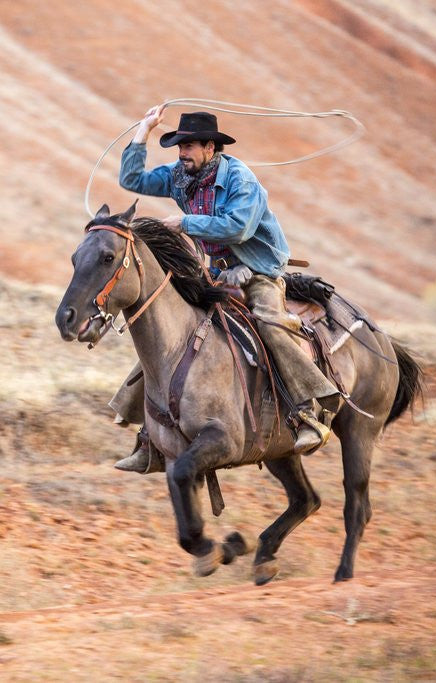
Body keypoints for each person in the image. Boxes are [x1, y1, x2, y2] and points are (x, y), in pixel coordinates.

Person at [111, 106, 340, 473]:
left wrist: (185, 222)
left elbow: (238, 228)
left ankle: (308, 411)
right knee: (169, 329)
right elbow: (132, 178)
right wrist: (143, 131)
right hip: (216, 271)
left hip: (259, 269)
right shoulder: (180, 176)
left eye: (188, 146)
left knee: (269, 324)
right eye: (179, 147)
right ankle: (149, 436)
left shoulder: (239, 179)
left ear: (209, 147)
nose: (181, 153)